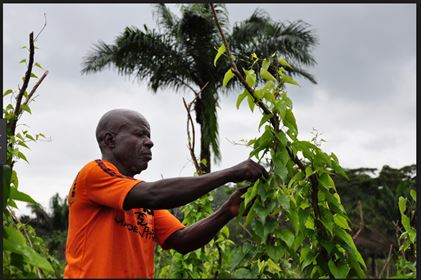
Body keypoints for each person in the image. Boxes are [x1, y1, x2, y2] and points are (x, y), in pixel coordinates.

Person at [64, 108, 267, 278]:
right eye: (139, 134)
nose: (149, 143)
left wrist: (228, 210)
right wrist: (229, 174)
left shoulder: (138, 198)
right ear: (110, 141)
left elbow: (182, 239)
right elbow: (155, 194)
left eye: (149, 136)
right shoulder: (93, 174)